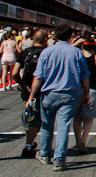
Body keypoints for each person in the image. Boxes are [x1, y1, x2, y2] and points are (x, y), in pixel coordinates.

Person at [27, 24, 90, 171]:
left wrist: (31, 96)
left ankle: (44, 154)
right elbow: (85, 75)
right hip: (69, 94)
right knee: (63, 127)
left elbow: (38, 76)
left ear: (55, 36)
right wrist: (86, 93)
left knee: (47, 125)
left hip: (49, 94)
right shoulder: (76, 52)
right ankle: (59, 160)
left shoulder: (46, 52)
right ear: (71, 37)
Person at [13, 29, 48, 158]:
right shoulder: (46, 53)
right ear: (45, 40)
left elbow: (15, 72)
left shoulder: (25, 53)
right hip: (43, 89)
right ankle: (28, 146)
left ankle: (29, 141)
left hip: (27, 89)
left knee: (28, 116)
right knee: (38, 119)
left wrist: (21, 83)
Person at [72, 33, 96, 154]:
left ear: (82, 46)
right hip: (92, 90)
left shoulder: (76, 58)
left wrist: (76, 43)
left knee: (77, 117)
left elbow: (68, 50)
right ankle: (83, 139)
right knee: (89, 118)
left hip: (77, 89)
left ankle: (77, 141)